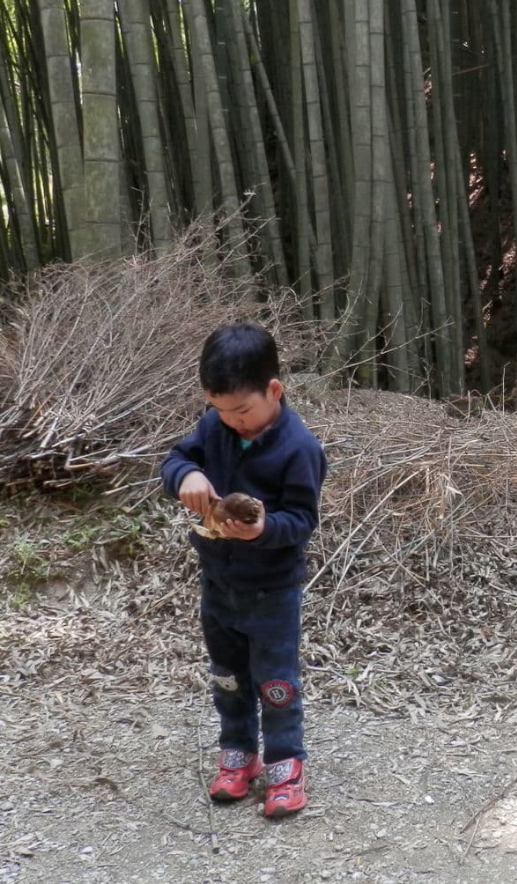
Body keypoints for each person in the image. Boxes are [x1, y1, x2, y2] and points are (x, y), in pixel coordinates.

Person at [161, 323, 327, 818]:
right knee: (228, 676)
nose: (231, 421)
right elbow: (175, 459)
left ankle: (285, 763)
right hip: (218, 581)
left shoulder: (299, 447)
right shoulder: (215, 426)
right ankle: (238, 752)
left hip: (272, 590)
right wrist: (186, 476)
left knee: (276, 683)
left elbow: (302, 520)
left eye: (242, 410)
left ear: (273, 390)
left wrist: (263, 529)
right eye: (220, 410)